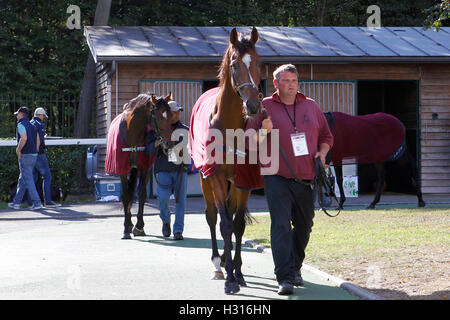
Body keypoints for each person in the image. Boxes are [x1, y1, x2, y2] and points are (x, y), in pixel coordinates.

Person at [246, 64, 334, 295]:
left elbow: (326, 136)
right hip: (276, 177)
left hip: (306, 177)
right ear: (275, 84)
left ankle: (295, 266)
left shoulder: (311, 106)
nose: (291, 84)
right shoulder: (264, 107)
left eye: (294, 80)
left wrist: (322, 153)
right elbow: (249, 142)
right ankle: (284, 277)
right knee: (281, 226)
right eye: (285, 80)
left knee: (305, 226)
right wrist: (264, 131)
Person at [146, 100, 189, 240]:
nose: (177, 114)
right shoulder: (156, 130)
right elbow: (149, 150)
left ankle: (178, 231)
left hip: (180, 169)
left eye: (178, 111)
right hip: (163, 169)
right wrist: (158, 143)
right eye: (174, 112)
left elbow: (189, 150)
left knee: (180, 201)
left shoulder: (185, 130)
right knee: (163, 199)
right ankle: (166, 220)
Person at [8, 107, 44, 210]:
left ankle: (37, 203)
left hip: (25, 155)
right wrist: (35, 149)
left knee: (28, 179)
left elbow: (24, 138)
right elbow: (37, 139)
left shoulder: (20, 125)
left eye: (17, 114)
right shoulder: (32, 125)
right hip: (33, 155)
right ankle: (16, 202)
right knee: (22, 179)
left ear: (21, 114)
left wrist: (18, 150)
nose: (16, 116)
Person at [30, 107, 61, 207]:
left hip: (29, 154)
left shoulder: (29, 123)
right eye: (43, 116)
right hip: (39, 154)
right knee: (47, 177)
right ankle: (48, 201)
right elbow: (39, 140)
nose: (43, 118)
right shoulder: (39, 125)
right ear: (40, 115)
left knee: (33, 178)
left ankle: (33, 202)